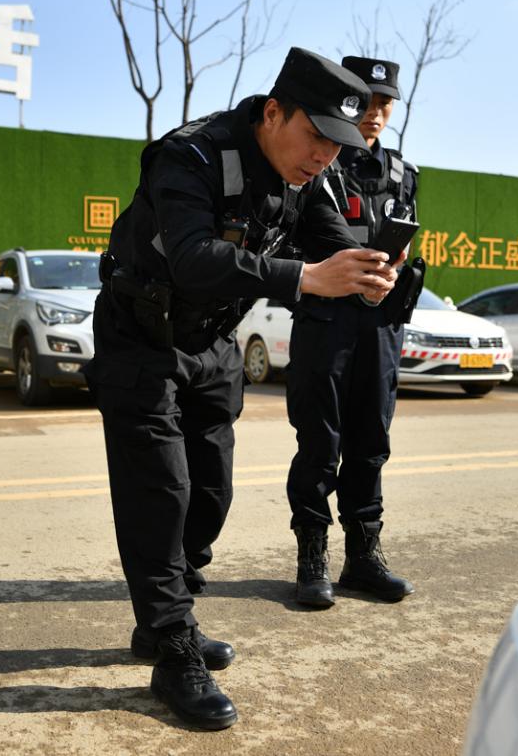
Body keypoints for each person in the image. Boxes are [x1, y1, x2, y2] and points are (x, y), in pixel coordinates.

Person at [87, 47, 397, 731]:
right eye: (314, 135)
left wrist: (370, 265)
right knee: (159, 494)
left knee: (209, 495)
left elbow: (331, 242)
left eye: (337, 143)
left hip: (213, 346)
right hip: (141, 336)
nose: (323, 156)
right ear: (272, 111)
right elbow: (196, 258)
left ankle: (163, 617)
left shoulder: (307, 176)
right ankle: (171, 647)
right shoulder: (192, 156)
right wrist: (307, 278)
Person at [284, 56, 421, 609]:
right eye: (366, 100)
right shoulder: (314, 163)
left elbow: (403, 242)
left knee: (371, 444)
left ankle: (363, 558)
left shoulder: (403, 172)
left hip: (381, 326)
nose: (376, 113)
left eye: (386, 103)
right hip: (325, 323)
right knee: (320, 444)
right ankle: (310, 560)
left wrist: (394, 267)